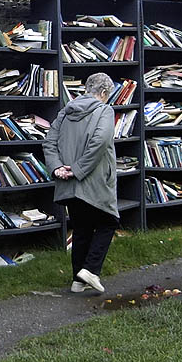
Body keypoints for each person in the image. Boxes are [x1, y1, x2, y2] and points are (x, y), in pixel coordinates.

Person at [43, 72, 119, 294]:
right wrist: (77, 170)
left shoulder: (65, 113)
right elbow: (100, 142)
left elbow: (49, 142)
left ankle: (78, 281)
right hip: (94, 181)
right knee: (109, 221)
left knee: (82, 227)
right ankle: (91, 270)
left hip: (67, 183)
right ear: (104, 94)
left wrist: (57, 167)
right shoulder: (104, 110)